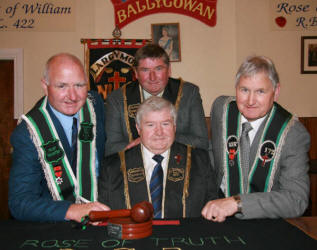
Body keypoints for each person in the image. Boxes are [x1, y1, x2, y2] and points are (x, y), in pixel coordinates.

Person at [202, 55, 310, 222]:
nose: (250, 101)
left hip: (266, 223)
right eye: (244, 90)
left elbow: (296, 200)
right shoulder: (221, 110)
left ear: (276, 91)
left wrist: (237, 203)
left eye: (260, 91)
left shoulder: (292, 134)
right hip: (218, 216)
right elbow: (213, 158)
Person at [9, 53, 110, 222]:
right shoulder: (27, 133)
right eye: (62, 86)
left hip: (100, 218)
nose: (72, 96)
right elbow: (20, 203)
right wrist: (71, 210)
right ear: (45, 86)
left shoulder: (95, 104)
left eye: (79, 85)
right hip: (54, 227)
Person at [98, 96, 217, 218]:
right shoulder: (112, 167)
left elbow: (215, 207)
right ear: (138, 129)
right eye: (150, 125)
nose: (159, 132)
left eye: (165, 124)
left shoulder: (199, 161)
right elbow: (103, 215)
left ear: (174, 127)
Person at [104, 43, 208, 156]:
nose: (152, 77)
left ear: (169, 70)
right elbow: (111, 148)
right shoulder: (117, 98)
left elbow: (201, 142)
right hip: (134, 168)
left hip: (179, 164)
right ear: (136, 73)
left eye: (158, 69)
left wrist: (161, 140)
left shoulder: (188, 93)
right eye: (145, 70)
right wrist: (144, 142)